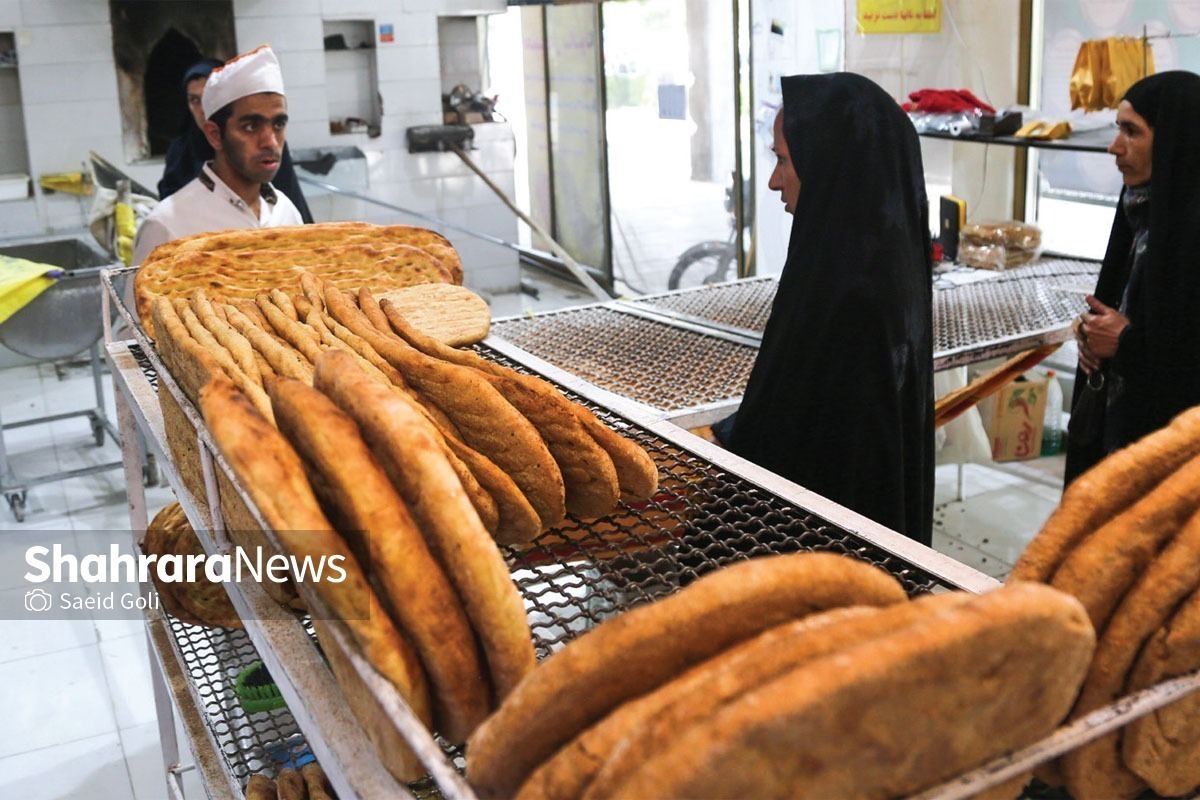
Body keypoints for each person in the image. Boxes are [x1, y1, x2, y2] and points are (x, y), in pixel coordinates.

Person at [712, 73, 934, 546]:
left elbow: (795, 442)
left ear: (831, 165)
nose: (774, 181)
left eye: (784, 161)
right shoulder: (877, 265)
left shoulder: (849, 296)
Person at [1066, 70, 1200, 484]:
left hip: (1172, 464)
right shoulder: (1141, 209)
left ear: (1176, 141)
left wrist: (1124, 344)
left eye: (1132, 132)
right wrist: (1092, 335)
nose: (1114, 146)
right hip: (1118, 442)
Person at [132, 45, 305, 265]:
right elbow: (137, 300)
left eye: (278, 124)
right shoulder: (169, 226)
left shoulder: (286, 214)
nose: (270, 142)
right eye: (251, 126)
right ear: (214, 135)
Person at [158, 57, 312, 223]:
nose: (203, 109)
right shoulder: (180, 154)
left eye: (278, 124)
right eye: (194, 100)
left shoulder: (283, 204)